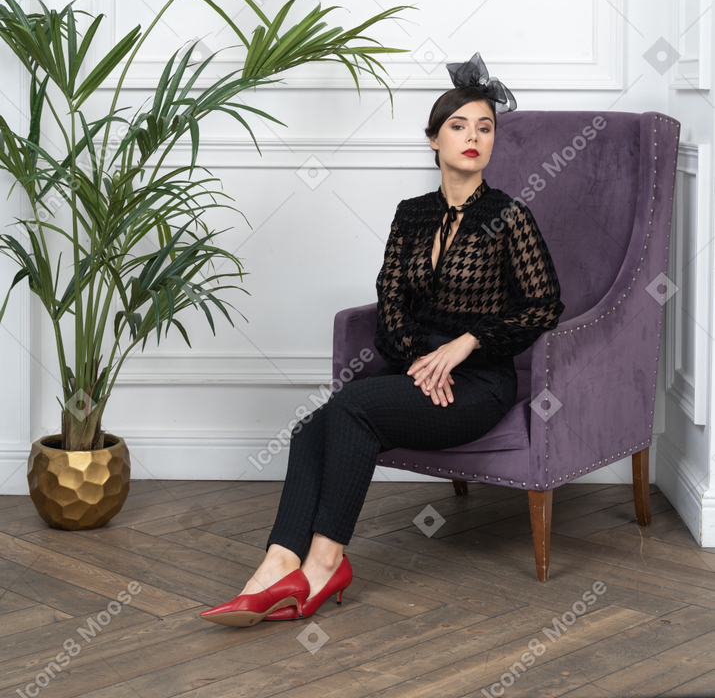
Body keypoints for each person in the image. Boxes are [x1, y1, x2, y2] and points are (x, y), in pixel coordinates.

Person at [200, 52, 565, 627]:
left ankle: (326, 565)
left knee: (351, 409)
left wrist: (464, 345)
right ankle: (275, 567)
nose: (473, 137)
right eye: (459, 126)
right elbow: (390, 303)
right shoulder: (410, 215)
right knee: (309, 427)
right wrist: (423, 360)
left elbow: (545, 306)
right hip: (419, 373)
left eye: (485, 127)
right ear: (433, 141)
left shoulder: (510, 216)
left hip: (477, 383)